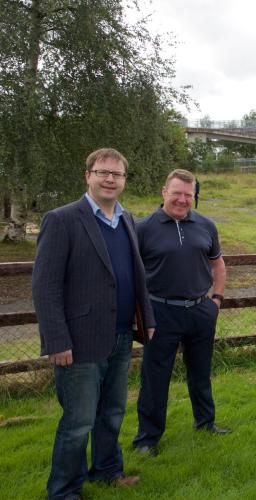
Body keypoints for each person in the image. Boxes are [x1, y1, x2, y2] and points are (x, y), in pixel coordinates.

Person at [33, 148, 155, 499]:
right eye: (103, 172)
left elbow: (136, 275)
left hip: (121, 335)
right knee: (78, 422)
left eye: (117, 174)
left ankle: (107, 471)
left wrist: (146, 319)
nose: (110, 179)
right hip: (79, 340)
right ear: (88, 175)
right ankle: (64, 491)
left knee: (112, 413)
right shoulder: (61, 220)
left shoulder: (127, 219)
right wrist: (56, 339)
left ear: (124, 180)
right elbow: (45, 286)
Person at [132, 169, 230, 457]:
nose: (182, 200)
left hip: (200, 310)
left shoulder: (206, 225)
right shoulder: (142, 228)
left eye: (188, 194)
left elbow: (218, 264)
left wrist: (216, 299)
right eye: (177, 193)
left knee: (201, 372)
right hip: (159, 312)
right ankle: (147, 439)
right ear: (164, 192)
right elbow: (130, 274)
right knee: (155, 377)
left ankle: (205, 422)